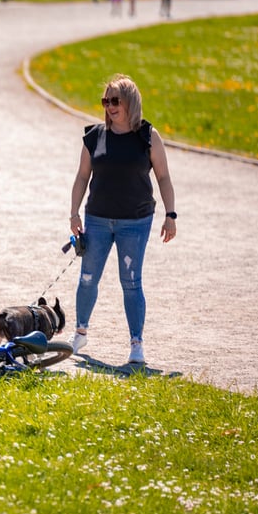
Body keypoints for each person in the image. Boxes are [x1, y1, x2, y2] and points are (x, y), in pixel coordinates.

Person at [67, 74, 177, 364]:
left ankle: (136, 343)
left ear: (130, 101)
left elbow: (163, 177)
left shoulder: (147, 137)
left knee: (131, 282)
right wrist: (74, 213)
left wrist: (170, 214)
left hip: (135, 222)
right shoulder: (96, 136)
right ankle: (80, 332)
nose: (110, 106)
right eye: (106, 101)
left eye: (115, 100)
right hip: (98, 219)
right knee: (88, 278)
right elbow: (81, 177)